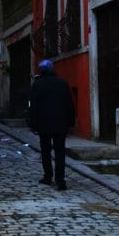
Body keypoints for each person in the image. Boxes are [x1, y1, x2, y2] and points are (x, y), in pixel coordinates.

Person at [28, 59, 75, 191]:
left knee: (46, 151)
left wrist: (33, 125)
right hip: (61, 124)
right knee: (60, 152)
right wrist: (71, 123)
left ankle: (48, 176)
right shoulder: (62, 83)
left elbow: (33, 107)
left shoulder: (37, 85)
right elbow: (69, 104)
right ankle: (60, 180)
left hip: (44, 125)